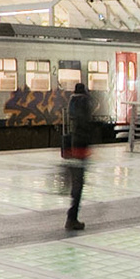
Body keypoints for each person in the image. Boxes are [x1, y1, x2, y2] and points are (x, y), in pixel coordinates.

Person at [62, 79, 95, 230]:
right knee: (78, 186)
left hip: (73, 147)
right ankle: (72, 218)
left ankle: (72, 217)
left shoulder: (72, 103)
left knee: (76, 185)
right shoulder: (84, 103)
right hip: (80, 148)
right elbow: (85, 126)